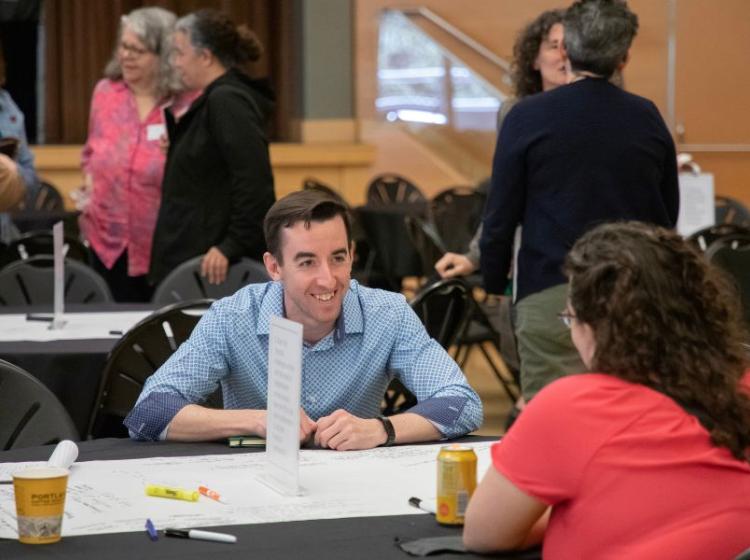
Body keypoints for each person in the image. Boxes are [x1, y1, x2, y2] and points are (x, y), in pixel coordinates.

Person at [463, 221, 750, 558]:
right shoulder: (740, 384)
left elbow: (484, 534)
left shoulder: (571, 407)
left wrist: (557, 523)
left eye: (570, 319)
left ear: (595, 328)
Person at [125, 190, 483, 449]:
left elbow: (461, 403)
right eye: (307, 262)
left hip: (356, 488)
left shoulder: (387, 314)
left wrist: (381, 429)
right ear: (274, 267)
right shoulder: (233, 318)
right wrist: (259, 420)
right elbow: (149, 412)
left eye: (338, 258)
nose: (328, 279)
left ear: (352, 255)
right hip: (251, 485)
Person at [480, 0, 679, 401]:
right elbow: (666, 215)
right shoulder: (647, 116)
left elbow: (500, 215)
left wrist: (493, 279)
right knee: (629, 416)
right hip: (632, 295)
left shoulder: (526, 117)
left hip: (550, 291)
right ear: (623, 59)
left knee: (553, 426)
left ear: (567, 50)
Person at [434, 9, 566, 281]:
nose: (564, 55)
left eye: (571, 47)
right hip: (536, 259)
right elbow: (505, 194)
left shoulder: (599, 113)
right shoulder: (515, 113)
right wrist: (475, 256)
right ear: (534, 60)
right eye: (554, 46)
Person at [148, 9, 276, 288]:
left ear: (205, 56)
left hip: (211, 268)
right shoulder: (216, 99)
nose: (176, 63)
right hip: (198, 261)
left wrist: (231, 245)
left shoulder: (227, 101)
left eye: (180, 53)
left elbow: (255, 184)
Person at [80, 7, 197, 302]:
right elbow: (90, 152)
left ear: (163, 56)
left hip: (164, 246)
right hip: (106, 242)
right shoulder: (105, 93)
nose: (126, 55)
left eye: (138, 49)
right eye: (124, 46)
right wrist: (90, 185)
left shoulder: (186, 104)